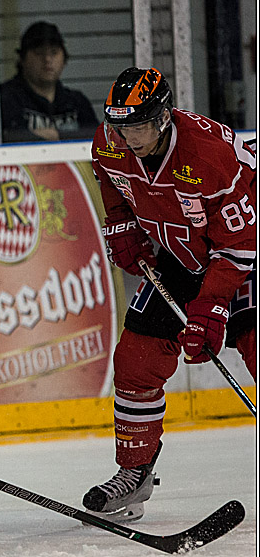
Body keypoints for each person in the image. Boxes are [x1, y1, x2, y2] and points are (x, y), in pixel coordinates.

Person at [86, 67, 256, 522]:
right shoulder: (110, 143)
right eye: (122, 127)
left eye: (139, 126)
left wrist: (211, 308)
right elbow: (108, 176)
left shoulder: (208, 154)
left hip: (245, 254)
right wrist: (120, 222)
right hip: (183, 256)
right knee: (135, 361)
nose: (129, 138)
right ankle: (134, 473)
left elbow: (239, 245)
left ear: (163, 117)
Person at [0, 21, 99, 143]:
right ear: (22, 59)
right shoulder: (6, 98)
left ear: (64, 58)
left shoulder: (76, 102)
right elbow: (6, 137)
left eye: (54, 52)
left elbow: (98, 139)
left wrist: (55, 135)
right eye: (39, 53)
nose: (47, 59)